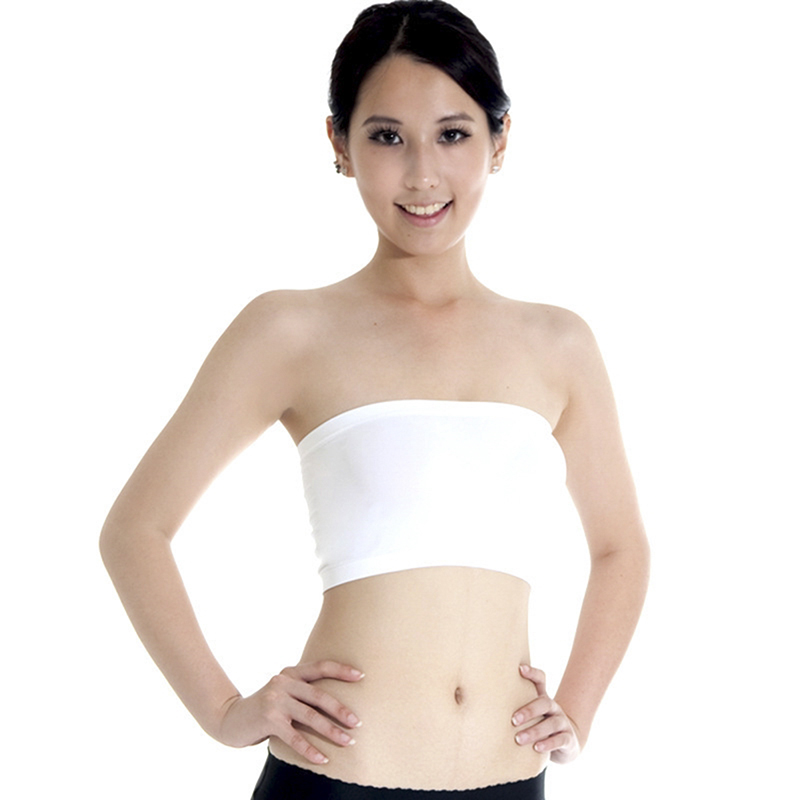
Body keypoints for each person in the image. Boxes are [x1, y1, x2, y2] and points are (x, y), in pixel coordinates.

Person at [99, 1, 650, 797]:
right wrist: (223, 710)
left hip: (510, 779)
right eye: (387, 137)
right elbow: (134, 531)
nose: (422, 174)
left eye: (453, 134)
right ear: (339, 144)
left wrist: (580, 711)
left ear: (500, 141)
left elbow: (621, 548)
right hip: (333, 779)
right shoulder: (289, 330)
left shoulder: (559, 344)